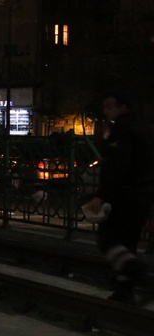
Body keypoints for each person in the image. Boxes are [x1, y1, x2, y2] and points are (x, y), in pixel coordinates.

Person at [84, 91, 154, 304]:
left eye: (109, 106)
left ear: (123, 107)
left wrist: (102, 195)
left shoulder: (123, 129)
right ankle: (124, 291)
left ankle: (141, 275)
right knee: (128, 243)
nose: (105, 111)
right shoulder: (144, 128)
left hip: (125, 195)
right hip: (143, 194)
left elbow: (117, 165)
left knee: (109, 240)